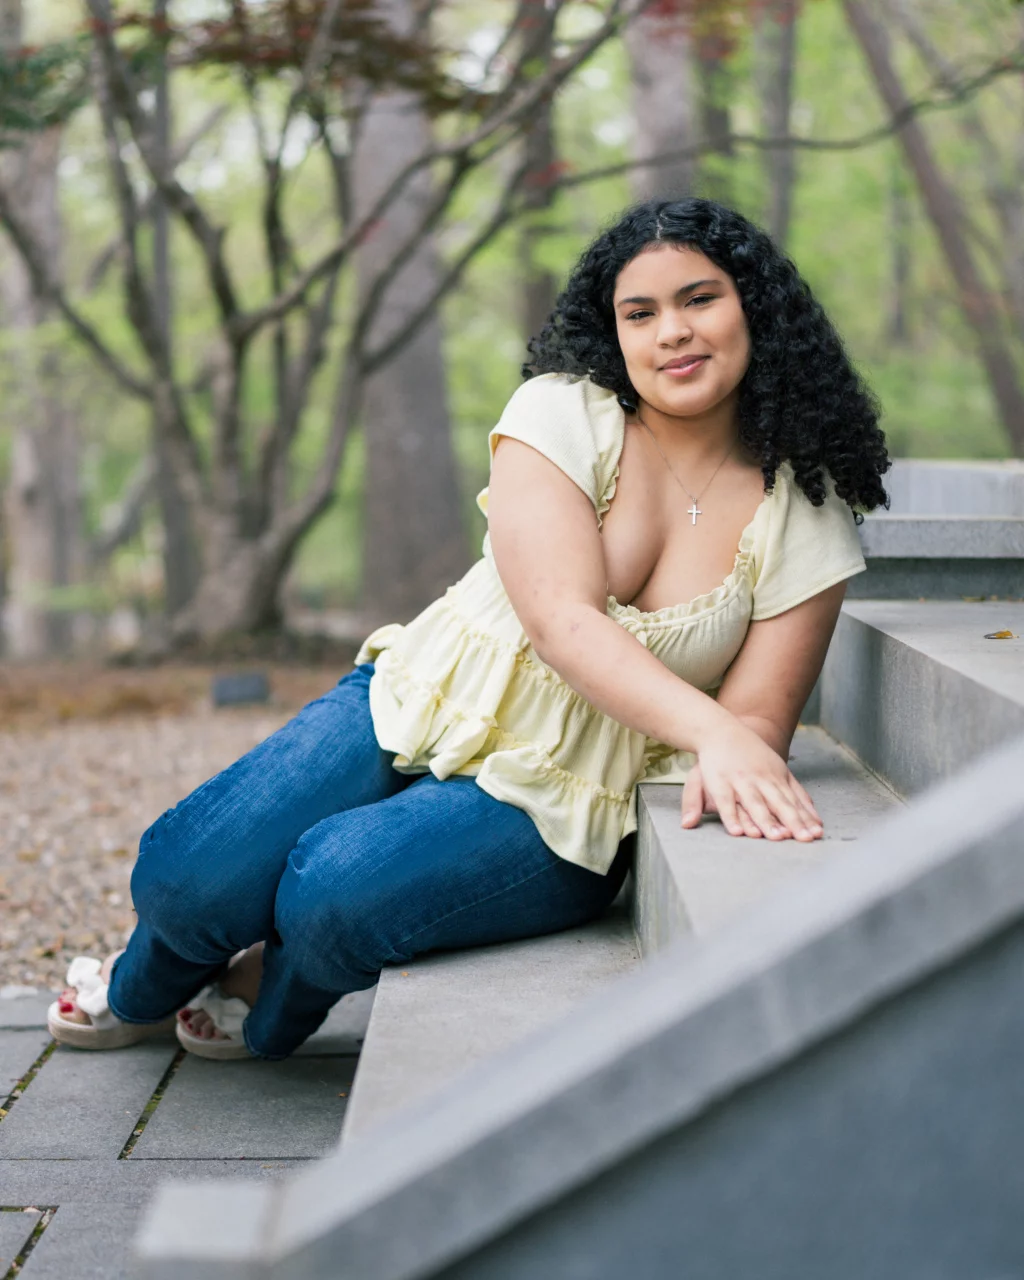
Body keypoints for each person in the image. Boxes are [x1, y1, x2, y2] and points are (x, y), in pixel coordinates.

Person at [48, 197, 890, 1059]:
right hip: (429, 697)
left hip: (571, 797)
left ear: (758, 308)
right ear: (617, 332)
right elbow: (562, 620)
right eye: (641, 313)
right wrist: (714, 729)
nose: (671, 331)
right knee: (192, 877)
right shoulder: (565, 412)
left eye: (699, 299)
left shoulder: (804, 510)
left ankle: (266, 993)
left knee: (333, 893)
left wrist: (738, 755)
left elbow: (753, 723)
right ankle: (139, 987)